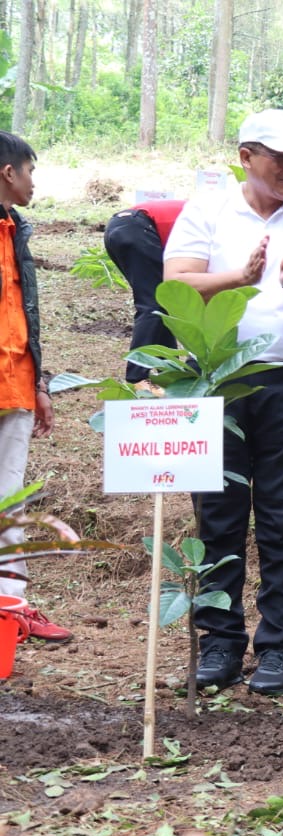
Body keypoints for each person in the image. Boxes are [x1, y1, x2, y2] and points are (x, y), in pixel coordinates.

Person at [163, 109, 283, 695]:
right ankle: (219, 640)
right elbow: (175, 284)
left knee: (282, 516)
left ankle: (276, 646)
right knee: (217, 514)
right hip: (216, 379)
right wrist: (238, 279)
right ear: (246, 157)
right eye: (282, 160)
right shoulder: (209, 210)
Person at [0, 132, 71, 643]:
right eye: (30, 171)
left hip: (15, 387)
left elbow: (24, 316)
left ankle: (11, 609)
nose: (33, 182)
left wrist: (40, 382)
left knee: (9, 504)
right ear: (9, 172)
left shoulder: (15, 230)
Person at [103, 199, 185, 386]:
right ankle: (137, 377)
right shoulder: (221, 220)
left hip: (122, 226)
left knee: (162, 305)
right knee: (153, 305)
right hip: (138, 227)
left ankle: (171, 375)